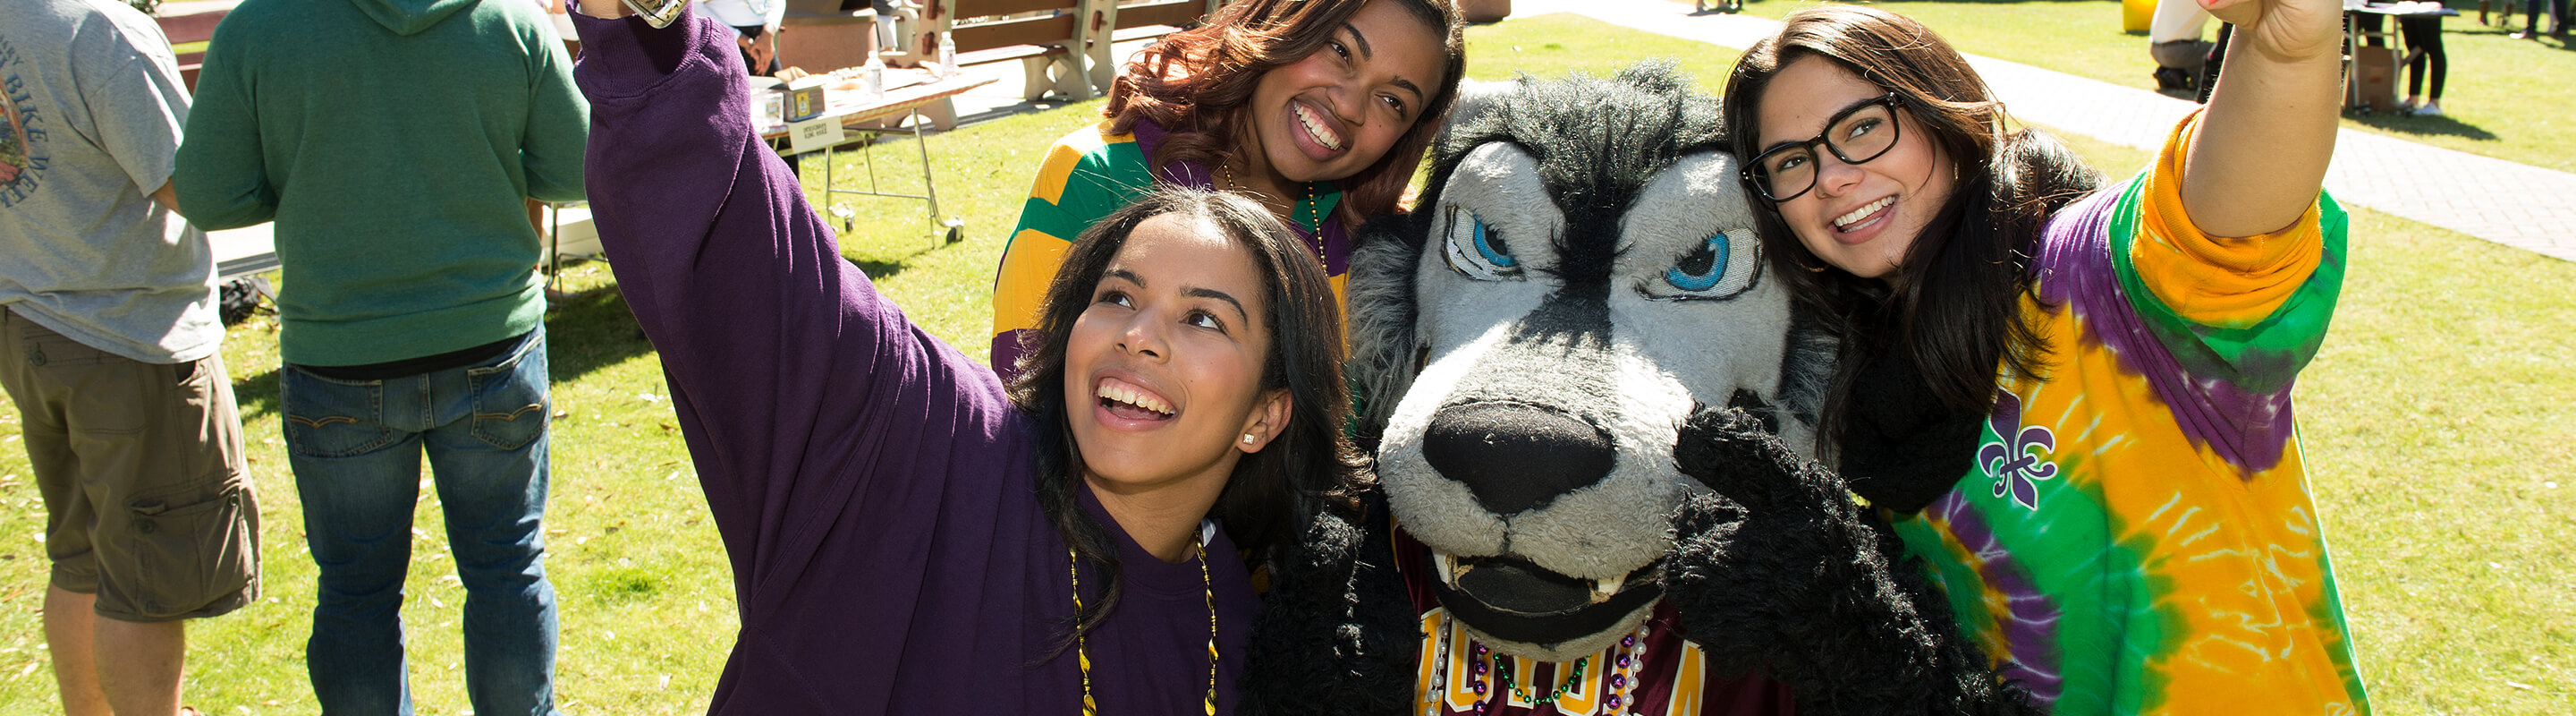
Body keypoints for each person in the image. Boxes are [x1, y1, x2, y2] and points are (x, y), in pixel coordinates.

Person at [567, 3, 1368, 712]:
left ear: (1265, 416)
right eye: (1117, 297)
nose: (1140, 334)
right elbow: (759, 258)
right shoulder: (927, 448)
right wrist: (650, 24)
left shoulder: (1249, 632)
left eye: (1204, 319)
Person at [1721, 3, 2368, 713]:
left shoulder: (2089, 276)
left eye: (1863, 127)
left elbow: (2226, 219)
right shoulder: (1856, 372)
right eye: (1791, 162)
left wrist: (2281, 55)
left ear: (1942, 108)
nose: (1832, 178)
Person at [172, 0, 587, 712]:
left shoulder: (259, 29)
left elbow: (209, 194)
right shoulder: (508, 20)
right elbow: (576, 168)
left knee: (356, 593)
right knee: (508, 570)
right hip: (491, 344)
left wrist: (315, 177)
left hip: (340, 352)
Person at [0, 2, 262, 714]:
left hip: (30, 320)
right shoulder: (96, 29)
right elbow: (200, 187)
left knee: (82, 557)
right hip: (127, 332)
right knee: (144, 579)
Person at [989, 0, 1466, 376]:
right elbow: (1025, 391)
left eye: (1392, 100)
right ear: (1284, 23)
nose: (1349, 105)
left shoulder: (1377, 253)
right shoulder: (1095, 175)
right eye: (1340, 51)